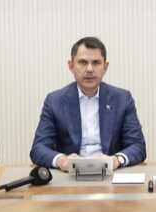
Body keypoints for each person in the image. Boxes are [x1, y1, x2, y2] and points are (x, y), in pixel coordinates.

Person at [31, 36, 146, 171]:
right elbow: (38, 148)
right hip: (69, 175)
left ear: (105, 67)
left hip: (110, 173)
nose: (90, 69)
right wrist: (62, 161)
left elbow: (138, 146)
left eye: (96, 63)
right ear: (71, 66)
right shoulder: (54, 101)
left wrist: (116, 160)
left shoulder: (122, 99)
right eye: (83, 62)